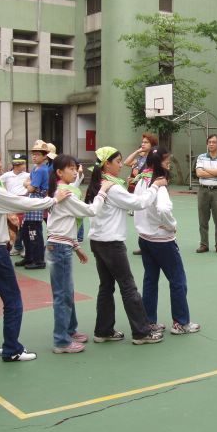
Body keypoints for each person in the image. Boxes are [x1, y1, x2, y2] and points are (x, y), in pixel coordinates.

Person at [0, 144, 70, 362]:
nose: (0, 165)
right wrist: (53, 200)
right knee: (13, 300)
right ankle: (12, 349)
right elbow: (20, 202)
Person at [85, 146, 166, 345]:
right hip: (111, 243)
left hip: (98, 241)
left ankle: (103, 330)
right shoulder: (112, 187)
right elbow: (138, 203)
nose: (121, 165)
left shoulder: (98, 183)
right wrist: (155, 186)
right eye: (118, 161)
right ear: (107, 164)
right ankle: (141, 332)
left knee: (106, 287)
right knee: (128, 287)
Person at [46, 154, 113, 353]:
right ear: (59, 172)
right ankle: (61, 341)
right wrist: (102, 192)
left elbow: (63, 222)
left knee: (66, 292)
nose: (75, 172)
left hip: (62, 245)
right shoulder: (65, 193)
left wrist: (76, 247)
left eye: (76, 169)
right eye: (71, 169)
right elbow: (90, 211)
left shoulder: (62, 191)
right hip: (59, 247)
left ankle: (69, 330)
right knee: (63, 294)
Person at [134, 146, 200, 335]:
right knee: (177, 280)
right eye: (167, 162)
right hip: (162, 240)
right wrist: (171, 225)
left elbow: (136, 205)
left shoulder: (142, 180)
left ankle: (149, 321)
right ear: (159, 164)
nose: (169, 165)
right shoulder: (160, 185)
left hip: (144, 237)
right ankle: (181, 322)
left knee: (150, 280)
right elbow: (163, 209)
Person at [17, 140, 50, 270]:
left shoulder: (41, 170)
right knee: (26, 231)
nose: (34, 156)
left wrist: (28, 184)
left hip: (36, 202)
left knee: (34, 232)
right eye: (33, 154)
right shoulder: (36, 169)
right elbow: (27, 183)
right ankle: (29, 257)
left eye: (38, 154)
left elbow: (31, 188)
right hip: (32, 202)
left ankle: (39, 260)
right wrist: (28, 184)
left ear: (44, 156)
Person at [124, 133, 158, 255]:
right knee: (140, 217)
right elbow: (126, 162)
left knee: (150, 216)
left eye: (146, 142)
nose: (143, 144)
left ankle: (153, 245)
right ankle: (143, 246)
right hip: (139, 189)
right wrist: (138, 151)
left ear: (152, 145)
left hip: (150, 189)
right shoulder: (140, 158)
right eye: (142, 142)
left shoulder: (155, 158)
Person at [195, 134, 217, 254]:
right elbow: (199, 173)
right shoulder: (201, 157)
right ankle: (204, 244)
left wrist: (205, 169)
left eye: (213, 142)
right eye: (209, 142)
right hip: (203, 190)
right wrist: (216, 172)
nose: (211, 144)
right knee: (203, 219)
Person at [0, 154, 29, 256]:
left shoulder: (27, 175)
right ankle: (17, 247)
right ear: (16, 165)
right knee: (13, 226)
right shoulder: (7, 175)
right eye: (22, 164)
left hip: (23, 201)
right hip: (11, 203)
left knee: (24, 226)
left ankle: (25, 248)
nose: (24, 166)